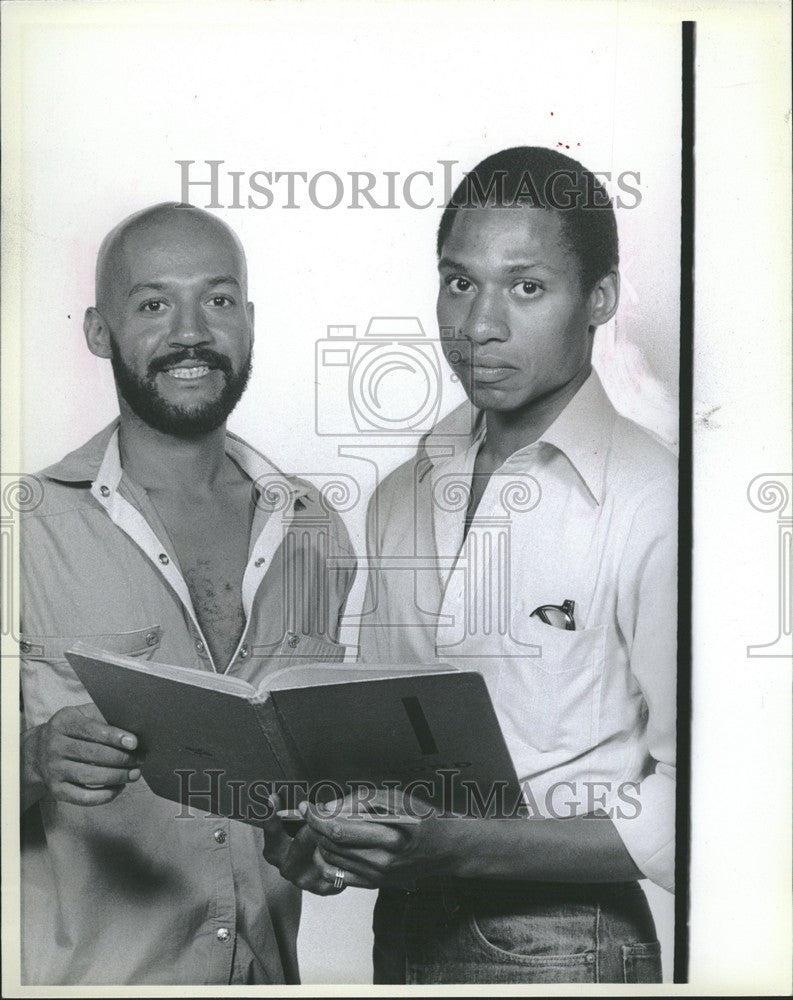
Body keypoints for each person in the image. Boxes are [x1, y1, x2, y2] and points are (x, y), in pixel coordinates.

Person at [289, 147, 677, 984]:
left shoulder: (653, 502)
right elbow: (383, 737)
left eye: (525, 287)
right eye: (459, 282)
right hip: (404, 932)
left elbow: (701, 807)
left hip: (566, 940)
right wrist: (327, 835)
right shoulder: (400, 492)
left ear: (598, 299)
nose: (477, 325)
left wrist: (464, 844)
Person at [19, 203, 356, 985]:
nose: (192, 332)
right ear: (100, 333)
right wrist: (33, 761)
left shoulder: (313, 526)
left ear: (249, 319)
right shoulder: (23, 532)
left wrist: (316, 835)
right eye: (152, 304)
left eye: (218, 299)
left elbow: (313, 777)